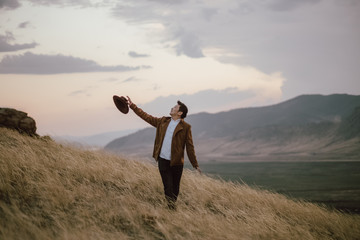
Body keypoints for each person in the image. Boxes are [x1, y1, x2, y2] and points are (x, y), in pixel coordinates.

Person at [126, 96, 201, 209]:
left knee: (175, 188)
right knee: (168, 186)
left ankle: (172, 206)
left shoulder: (186, 127)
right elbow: (146, 116)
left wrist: (195, 164)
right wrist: (132, 106)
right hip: (163, 160)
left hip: (176, 163)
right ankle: (171, 208)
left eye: (175, 107)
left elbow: (190, 147)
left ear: (180, 113)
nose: (172, 108)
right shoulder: (162, 122)